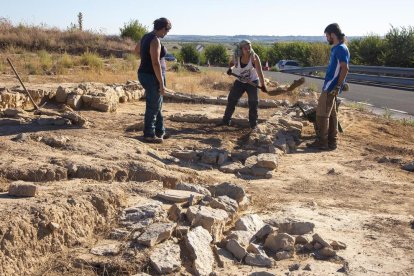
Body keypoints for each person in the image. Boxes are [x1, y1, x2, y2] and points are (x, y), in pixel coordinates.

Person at [307, 23, 350, 150]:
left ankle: (322, 142)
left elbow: (345, 67)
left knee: (321, 114)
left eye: (327, 35)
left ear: (332, 34)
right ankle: (332, 142)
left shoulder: (340, 49)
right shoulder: (338, 48)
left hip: (331, 86)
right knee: (331, 114)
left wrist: (337, 86)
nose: (326, 38)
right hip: (331, 85)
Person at [136, 17, 172, 143]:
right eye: (167, 30)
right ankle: (149, 134)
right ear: (162, 28)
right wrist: (161, 83)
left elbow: (136, 50)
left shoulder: (146, 36)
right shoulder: (155, 40)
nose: (166, 33)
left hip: (145, 73)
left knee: (157, 104)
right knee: (153, 106)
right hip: (152, 76)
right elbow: (155, 63)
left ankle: (159, 131)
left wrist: (144, 57)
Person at [219, 40, 268, 129]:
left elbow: (259, 72)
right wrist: (230, 68)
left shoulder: (254, 58)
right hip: (240, 81)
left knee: (253, 103)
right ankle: (226, 121)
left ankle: (253, 125)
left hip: (252, 82)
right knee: (232, 99)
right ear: (241, 49)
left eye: (249, 47)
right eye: (246, 48)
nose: (248, 49)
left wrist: (263, 85)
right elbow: (231, 63)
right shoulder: (237, 56)